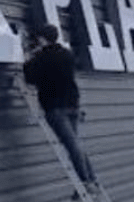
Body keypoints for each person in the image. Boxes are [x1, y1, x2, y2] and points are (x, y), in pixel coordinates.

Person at [22, 24, 98, 187]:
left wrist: (29, 57)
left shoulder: (42, 57)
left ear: (42, 39)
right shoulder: (67, 54)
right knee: (75, 143)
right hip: (72, 105)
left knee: (72, 145)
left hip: (56, 108)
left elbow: (30, 79)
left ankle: (86, 182)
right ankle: (91, 179)